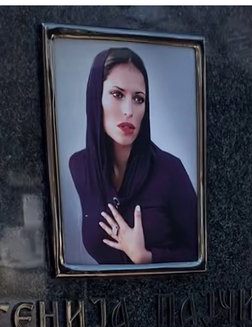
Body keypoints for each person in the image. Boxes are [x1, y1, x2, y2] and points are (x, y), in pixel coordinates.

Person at [69, 47, 199, 266]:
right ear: (95, 98)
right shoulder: (80, 166)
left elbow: (204, 250)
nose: (129, 110)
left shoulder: (170, 170)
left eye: (138, 99)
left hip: (166, 289)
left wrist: (146, 258)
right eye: (117, 95)